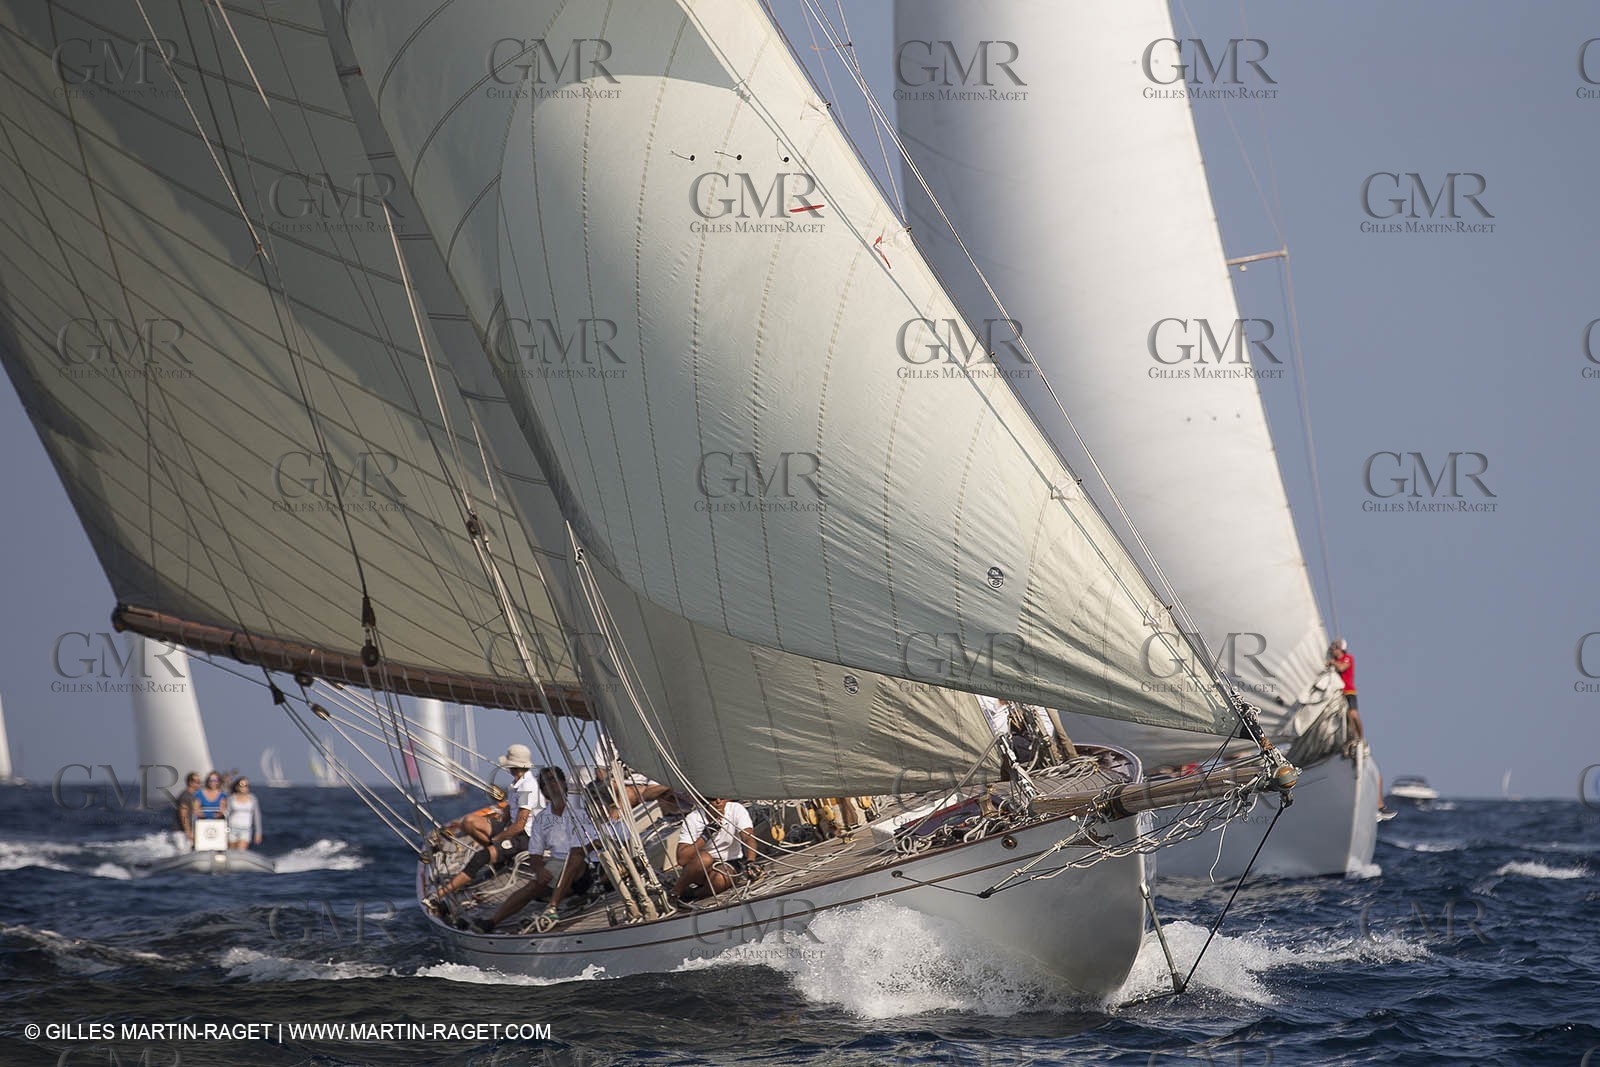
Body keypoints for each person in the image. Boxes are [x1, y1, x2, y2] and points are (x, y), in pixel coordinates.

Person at [473, 767, 599, 933]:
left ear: (563, 783)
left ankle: (552, 908)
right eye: (546, 783)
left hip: (588, 868)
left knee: (575, 856)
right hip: (557, 869)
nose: (552, 786)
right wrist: (539, 869)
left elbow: (600, 838)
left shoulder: (582, 808)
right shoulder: (541, 819)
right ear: (543, 791)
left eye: (555, 780)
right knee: (534, 885)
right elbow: (535, 853)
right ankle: (492, 921)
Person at [426, 744, 540, 912]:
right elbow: (510, 808)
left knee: (480, 858)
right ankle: (498, 858)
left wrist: (497, 840)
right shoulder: (517, 783)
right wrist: (502, 821)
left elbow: (520, 825)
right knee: (470, 822)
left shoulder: (528, 787)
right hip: (512, 829)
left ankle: (438, 895)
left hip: (525, 837)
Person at [672, 797, 760, 902]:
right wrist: (705, 836)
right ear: (705, 801)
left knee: (720, 879)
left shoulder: (736, 809)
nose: (718, 802)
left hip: (729, 863)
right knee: (705, 859)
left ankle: (692, 894)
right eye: (713, 799)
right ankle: (676, 892)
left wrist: (751, 861)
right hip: (700, 867)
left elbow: (748, 837)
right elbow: (682, 859)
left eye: (722, 798)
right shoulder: (694, 818)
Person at [226, 778, 263, 850]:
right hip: (232, 828)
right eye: (242, 785)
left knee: (241, 851)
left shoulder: (253, 799)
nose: (244, 787)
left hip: (246, 829)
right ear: (237, 787)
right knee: (231, 851)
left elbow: (257, 816)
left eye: (246, 785)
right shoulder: (231, 798)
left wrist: (258, 833)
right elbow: (227, 814)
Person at [189, 771, 228, 837]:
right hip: (202, 823)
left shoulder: (222, 795)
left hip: (217, 824)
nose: (213, 783)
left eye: (215, 780)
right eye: (211, 780)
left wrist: (214, 816)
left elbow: (222, 810)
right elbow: (195, 810)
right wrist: (206, 815)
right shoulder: (199, 794)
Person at [172, 772, 200, 850]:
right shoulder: (185, 796)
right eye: (197, 782)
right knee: (183, 850)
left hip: (191, 829)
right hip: (181, 831)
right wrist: (188, 831)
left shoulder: (195, 796)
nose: (199, 784)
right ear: (190, 782)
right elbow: (183, 815)